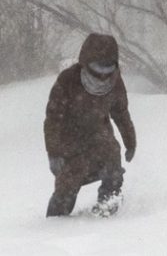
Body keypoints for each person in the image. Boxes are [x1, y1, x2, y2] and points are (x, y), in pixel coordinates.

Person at [43, 33, 136, 217]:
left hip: (100, 137)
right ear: (85, 63)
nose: (102, 76)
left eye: (107, 69)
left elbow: (121, 113)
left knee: (113, 167)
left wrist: (130, 141)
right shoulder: (67, 80)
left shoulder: (115, 82)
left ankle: (109, 205)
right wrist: (54, 152)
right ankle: (54, 223)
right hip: (70, 142)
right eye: (96, 69)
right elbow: (53, 119)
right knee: (67, 187)